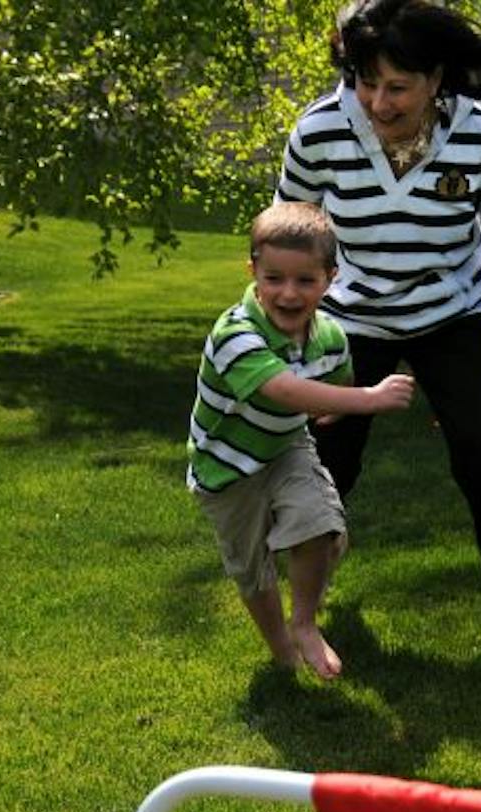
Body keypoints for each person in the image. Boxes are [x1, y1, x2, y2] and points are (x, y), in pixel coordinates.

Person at [277, 0, 481, 656]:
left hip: (454, 315)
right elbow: (289, 240)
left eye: (397, 87)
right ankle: (306, 614)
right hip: (352, 317)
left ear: (437, 80)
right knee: (322, 464)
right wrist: (277, 342)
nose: (378, 103)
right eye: (365, 81)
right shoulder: (320, 133)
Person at [186, 201, 416, 679]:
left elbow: (333, 383)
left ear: (330, 278)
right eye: (273, 279)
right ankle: (282, 650)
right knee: (253, 571)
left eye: (305, 281)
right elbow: (284, 390)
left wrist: (336, 403)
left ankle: (305, 623)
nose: (288, 294)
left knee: (322, 527)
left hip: (287, 449)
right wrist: (367, 399)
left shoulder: (329, 336)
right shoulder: (236, 333)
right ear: (253, 271)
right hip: (227, 466)